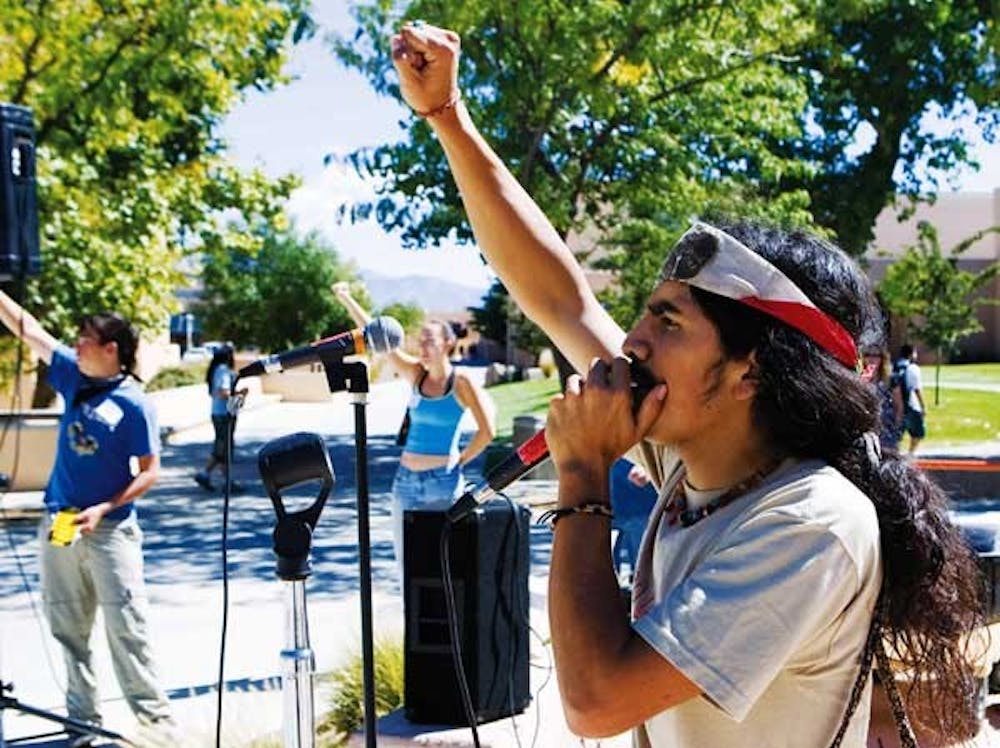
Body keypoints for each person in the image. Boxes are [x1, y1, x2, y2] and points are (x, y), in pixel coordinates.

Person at [386, 23, 982, 746]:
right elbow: (562, 300)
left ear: (749, 370)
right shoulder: (699, 468)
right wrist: (448, 116)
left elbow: (598, 703)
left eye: (667, 322)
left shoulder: (810, 520)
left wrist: (582, 478)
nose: (632, 341)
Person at [0, 291, 174, 746]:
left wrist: (106, 506)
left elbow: (151, 470)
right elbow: (30, 330)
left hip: (111, 530)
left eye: (85, 340)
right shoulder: (74, 379)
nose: (76, 346)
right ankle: (83, 721)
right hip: (60, 523)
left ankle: (155, 726)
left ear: (111, 349)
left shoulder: (135, 404)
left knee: (126, 625)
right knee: (67, 626)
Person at [332, 282, 496, 566]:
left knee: (441, 561)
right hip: (405, 480)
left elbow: (487, 431)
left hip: (442, 483)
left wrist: (460, 460)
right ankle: (410, 610)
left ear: (447, 344)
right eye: (420, 340)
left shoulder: (461, 382)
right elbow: (379, 337)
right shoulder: (416, 374)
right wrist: (346, 299)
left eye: (429, 340)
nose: (422, 346)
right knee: (407, 560)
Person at [194, 344, 240, 491]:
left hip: (218, 412)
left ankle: (227, 482)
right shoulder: (223, 370)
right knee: (223, 447)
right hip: (224, 414)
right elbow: (223, 392)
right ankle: (205, 473)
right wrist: (238, 395)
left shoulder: (216, 370)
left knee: (224, 447)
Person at [860, 345, 903, 451]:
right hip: (868, 430)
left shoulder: (891, 379)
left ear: (882, 358)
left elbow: (899, 405)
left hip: (887, 430)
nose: (871, 359)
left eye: (876, 355)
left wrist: (896, 427)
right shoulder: (859, 379)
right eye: (868, 355)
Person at [893, 343, 926, 455]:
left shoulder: (894, 367)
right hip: (911, 406)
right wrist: (923, 406)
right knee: (917, 434)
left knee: (896, 434)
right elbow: (917, 389)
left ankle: (895, 454)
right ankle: (910, 455)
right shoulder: (913, 368)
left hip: (896, 407)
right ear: (912, 354)